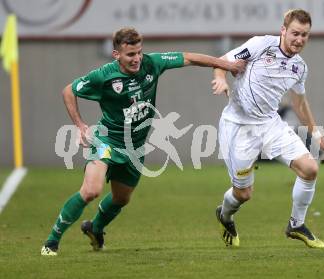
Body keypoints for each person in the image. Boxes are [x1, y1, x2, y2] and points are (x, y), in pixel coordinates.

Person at [41, 27, 246, 256]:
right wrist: (80, 125)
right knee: (91, 190)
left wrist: (227, 66)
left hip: (135, 147)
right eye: (130, 54)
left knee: (121, 198)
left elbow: (189, 57)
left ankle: (95, 228)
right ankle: (51, 242)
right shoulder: (104, 76)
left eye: (139, 52)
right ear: (116, 54)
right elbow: (68, 91)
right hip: (107, 139)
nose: (137, 58)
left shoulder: (152, 63)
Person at [211, 9, 324, 248]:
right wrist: (220, 78)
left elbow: (299, 103)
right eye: (295, 33)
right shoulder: (260, 45)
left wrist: (318, 136)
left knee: (310, 169)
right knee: (243, 194)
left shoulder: (299, 67)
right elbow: (222, 61)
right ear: (283, 30)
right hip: (238, 128)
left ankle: (296, 225)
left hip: (270, 126)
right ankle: (225, 215)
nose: (299, 40)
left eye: (305, 35)